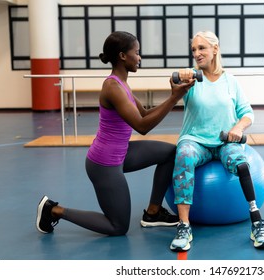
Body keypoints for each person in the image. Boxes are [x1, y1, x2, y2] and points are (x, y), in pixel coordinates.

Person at [36, 31, 195, 236]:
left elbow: (144, 113)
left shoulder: (122, 84)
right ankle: (53, 210)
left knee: (171, 153)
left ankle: (153, 213)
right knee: (118, 226)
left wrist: (175, 95)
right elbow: (142, 126)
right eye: (136, 53)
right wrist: (175, 98)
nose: (139, 58)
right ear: (122, 56)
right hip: (104, 163)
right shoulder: (112, 87)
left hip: (122, 152)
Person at [169, 31, 264, 251]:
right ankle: (184, 226)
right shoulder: (192, 80)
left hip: (225, 141)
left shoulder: (230, 81)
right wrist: (177, 80)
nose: (197, 53)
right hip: (196, 141)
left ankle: (257, 223)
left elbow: (247, 112)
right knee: (184, 155)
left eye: (202, 48)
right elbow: (174, 89)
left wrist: (238, 127)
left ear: (215, 49)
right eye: (194, 50)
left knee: (241, 163)